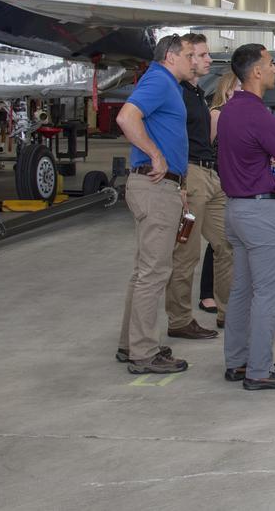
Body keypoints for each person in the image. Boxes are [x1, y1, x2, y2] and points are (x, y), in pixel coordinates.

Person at [217, 44, 275, 391]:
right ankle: (260, 369)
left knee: (241, 291)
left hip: (235, 209)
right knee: (266, 295)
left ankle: (237, 361)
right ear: (255, 72)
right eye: (270, 64)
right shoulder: (259, 116)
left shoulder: (228, 112)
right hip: (261, 213)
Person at [114, 34, 194, 374]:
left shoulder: (167, 84)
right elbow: (125, 117)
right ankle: (144, 354)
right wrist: (156, 154)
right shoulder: (160, 80)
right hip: (153, 185)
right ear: (172, 56)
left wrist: (179, 183)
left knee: (144, 272)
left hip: (162, 187)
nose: (194, 61)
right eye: (190, 55)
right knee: (154, 273)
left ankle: (130, 344)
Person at [162, 33, 227, 342]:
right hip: (190, 175)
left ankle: (229, 310)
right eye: (201, 55)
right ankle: (179, 319)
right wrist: (180, 181)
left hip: (210, 175)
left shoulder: (197, 92)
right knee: (186, 253)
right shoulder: (174, 91)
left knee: (227, 243)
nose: (207, 60)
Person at [198, 71, 240, 317]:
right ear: (225, 89)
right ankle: (207, 293)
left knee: (228, 241)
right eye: (236, 88)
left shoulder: (238, 116)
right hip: (217, 181)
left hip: (234, 183)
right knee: (217, 242)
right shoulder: (216, 115)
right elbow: (209, 149)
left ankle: (226, 291)